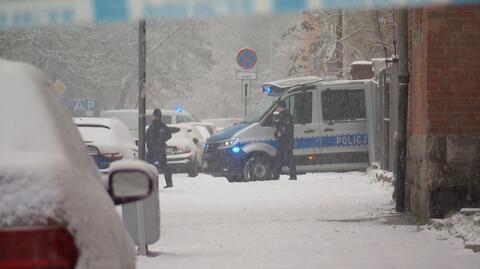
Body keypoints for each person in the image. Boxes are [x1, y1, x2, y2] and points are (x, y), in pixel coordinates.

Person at [146, 108, 173, 188]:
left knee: (162, 165)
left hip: (159, 148)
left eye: (155, 116)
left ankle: (168, 183)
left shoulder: (161, 126)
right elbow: (147, 137)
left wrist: (161, 140)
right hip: (152, 149)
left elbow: (168, 135)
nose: (154, 117)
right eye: (154, 116)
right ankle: (151, 184)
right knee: (152, 166)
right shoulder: (152, 127)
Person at [272, 100, 297, 180]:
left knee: (286, 158)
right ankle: (277, 175)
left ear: (281, 107)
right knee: (281, 158)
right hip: (285, 140)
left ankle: (292, 175)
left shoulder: (285, 115)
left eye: (278, 107)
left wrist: (278, 133)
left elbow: (285, 128)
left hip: (285, 140)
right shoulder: (284, 114)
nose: (276, 108)